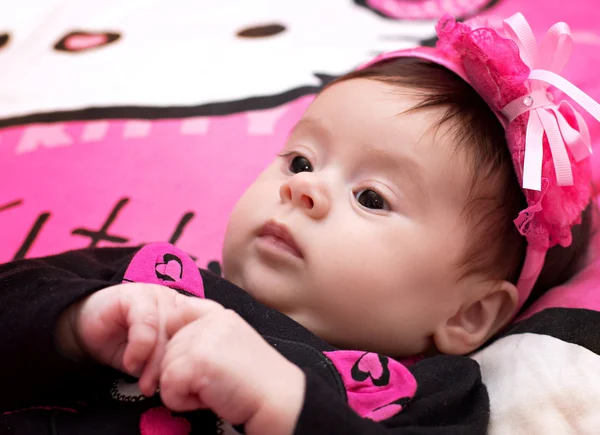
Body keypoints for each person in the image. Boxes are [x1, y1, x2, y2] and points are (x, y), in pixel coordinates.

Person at [1, 12, 598, 435]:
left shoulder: (427, 398)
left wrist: (287, 404)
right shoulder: (152, 278)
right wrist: (75, 323)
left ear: (467, 315)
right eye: (301, 160)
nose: (302, 188)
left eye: (370, 196)